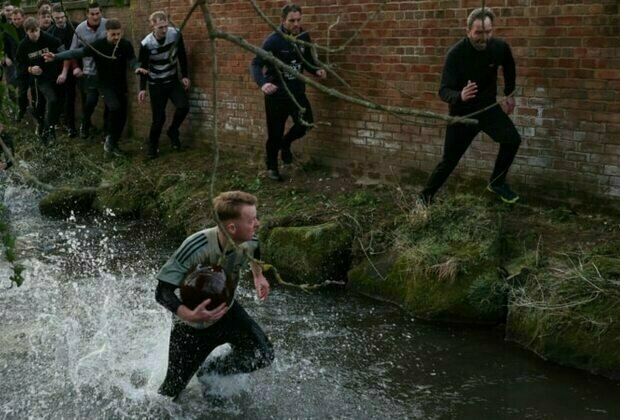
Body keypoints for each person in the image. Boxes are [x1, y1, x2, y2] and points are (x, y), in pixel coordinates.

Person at [154, 190, 274, 400]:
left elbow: (255, 250)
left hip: (227, 313)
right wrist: (187, 314)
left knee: (263, 355)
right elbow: (162, 291)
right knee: (170, 394)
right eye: (251, 220)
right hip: (191, 327)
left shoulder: (250, 237)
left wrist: (258, 275)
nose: (257, 224)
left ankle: (210, 372)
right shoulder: (195, 246)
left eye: (256, 218)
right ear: (231, 227)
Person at [419, 7, 521, 205]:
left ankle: (497, 182)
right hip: (463, 114)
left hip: (488, 109)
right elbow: (443, 90)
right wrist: (460, 96)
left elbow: (509, 66)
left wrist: (509, 93)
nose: (484, 37)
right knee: (449, 161)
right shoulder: (456, 54)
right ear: (468, 31)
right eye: (479, 33)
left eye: (488, 31)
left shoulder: (499, 47)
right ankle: (423, 199)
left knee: (512, 140)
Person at [250, 3, 326, 181]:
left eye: (299, 19)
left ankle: (286, 143)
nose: (296, 24)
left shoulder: (303, 36)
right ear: (283, 21)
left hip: (297, 93)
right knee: (275, 133)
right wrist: (263, 83)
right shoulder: (273, 40)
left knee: (306, 124)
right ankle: (272, 166)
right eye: (292, 20)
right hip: (277, 95)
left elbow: (305, 60)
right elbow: (256, 63)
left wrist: (316, 70)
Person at [45, 19, 142, 157]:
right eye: (113, 34)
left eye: (118, 34)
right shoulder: (98, 46)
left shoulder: (125, 45)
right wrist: (55, 57)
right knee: (114, 108)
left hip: (120, 85)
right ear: (106, 32)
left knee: (122, 115)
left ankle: (112, 143)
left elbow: (132, 59)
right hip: (104, 84)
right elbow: (75, 53)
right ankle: (108, 139)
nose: (116, 37)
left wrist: (137, 68)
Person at [137, 10, 190, 159]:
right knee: (159, 119)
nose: (164, 30)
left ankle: (173, 131)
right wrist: (142, 88)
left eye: (166, 26)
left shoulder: (175, 34)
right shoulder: (146, 43)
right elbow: (143, 67)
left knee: (183, 106)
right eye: (160, 27)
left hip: (172, 80)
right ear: (152, 26)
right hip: (156, 84)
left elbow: (182, 56)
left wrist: (185, 76)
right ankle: (152, 147)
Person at [15, 17, 63, 144]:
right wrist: (30, 69)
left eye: (36, 30)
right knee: (45, 103)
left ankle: (48, 128)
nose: (35, 34)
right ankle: (46, 128)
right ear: (26, 32)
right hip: (39, 80)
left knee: (55, 103)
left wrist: (61, 69)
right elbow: (19, 65)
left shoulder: (48, 38)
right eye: (32, 32)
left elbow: (62, 51)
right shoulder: (23, 46)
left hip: (54, 75)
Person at [69, 1, 107, 139]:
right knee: (91, 101)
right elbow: (72, 51)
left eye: (97, 13)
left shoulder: (107, 25)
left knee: (109, 101)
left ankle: (106, 131)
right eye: (92, 14)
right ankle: (85, 125)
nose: (95, 17)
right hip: (89, 71)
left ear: (101, 13)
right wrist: (76, 67)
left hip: (106, 72)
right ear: (87, 14)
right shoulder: (80, 29)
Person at [48, 3, 79, 137]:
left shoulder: (75, 27)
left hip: (75, 67)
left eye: (62, 17)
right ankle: (59, 123)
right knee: (60, 98)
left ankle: (71, 126)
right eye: (57, 18)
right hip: (58, 70)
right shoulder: (50, 33)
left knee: (72, 97)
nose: (60, 20)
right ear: (52, 18)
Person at [4, 8, 27, 118]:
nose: (16, 21)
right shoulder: (7, 31)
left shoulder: (27, 29)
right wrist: (5, 57)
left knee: (23, 88)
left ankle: (23, 108)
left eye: (18, 19)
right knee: (11, 86)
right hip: (12, 62)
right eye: (14, 19)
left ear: (23, 18)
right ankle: (14, 108)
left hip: (25, 62)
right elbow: (4, 47)